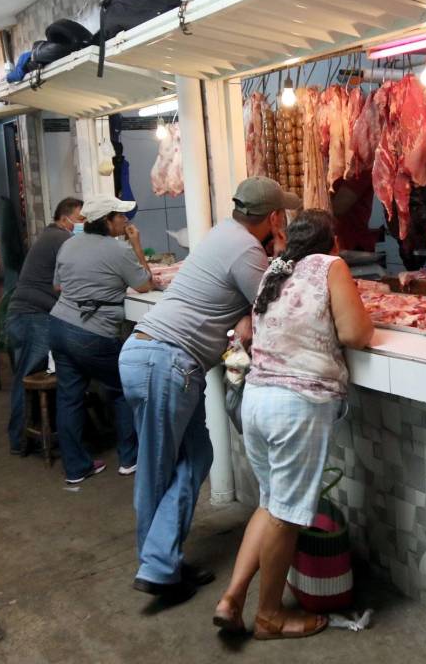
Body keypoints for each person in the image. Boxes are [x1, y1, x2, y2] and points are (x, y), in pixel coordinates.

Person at [119, 176, 300, 603]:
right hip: (167, 361)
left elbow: (246, 303)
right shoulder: (245, 249)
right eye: (283, 214)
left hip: (151, 355)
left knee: (195, 455)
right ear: (273, 216)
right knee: (158, 467)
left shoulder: (224, 233)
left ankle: (161, 560)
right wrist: (282, 248)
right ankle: (158, 566)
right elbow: (279, 306)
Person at [213, 210, 373, 640]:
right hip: (296, 407)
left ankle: (231, 599)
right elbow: (358, 334)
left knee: (270, 506)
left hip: (258, 401)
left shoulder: (274, 271)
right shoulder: (330, 266)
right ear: (333, 242)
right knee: (285, 516)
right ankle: (269, 617)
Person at [49, 193, 152, 485]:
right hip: (91, 333)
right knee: (121, 388)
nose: (125, 220)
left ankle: (76, 468)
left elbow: (58, 285)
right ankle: (130, 459)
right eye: (120, 216)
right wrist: (136, 245)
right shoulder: (117, 250)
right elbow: (145, 284)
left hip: (58, 325)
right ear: (107, 221)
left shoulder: (68, 244)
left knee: (69, 397)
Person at [6, 197, 84, 455]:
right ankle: (19, 441)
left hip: (28, 316)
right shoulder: (60, 239)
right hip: (32, 318)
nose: (82, 224)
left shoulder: (51, 237)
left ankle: (28, 437)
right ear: (65, 219)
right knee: (26, 377)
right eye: (80, 219)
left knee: (26, 376)